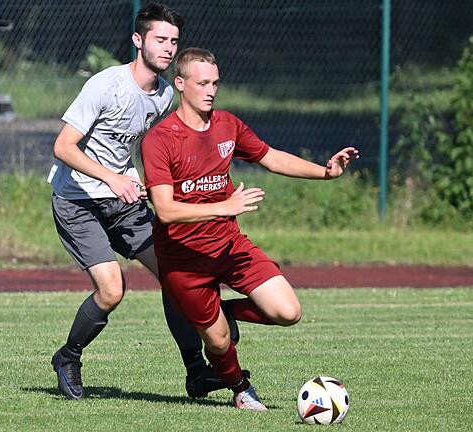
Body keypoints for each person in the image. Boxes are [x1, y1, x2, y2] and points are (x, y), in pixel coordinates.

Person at [141, 47, 359, 411]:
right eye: (202, 83)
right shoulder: (160, 139)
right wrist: (224, 206)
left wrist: (326, 172)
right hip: (184, 261)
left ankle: (222, 312)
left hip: (229, 247)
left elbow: (270, 157)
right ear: (180, 84)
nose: (211, 90)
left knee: (288, 312)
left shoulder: (228, 125)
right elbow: (163, 210)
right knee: (219, 343)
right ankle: (240, 389)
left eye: (215, 83)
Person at [48, 4, 237, 401]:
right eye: (160, 40)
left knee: (175, 276)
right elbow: (63, 147)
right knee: (112, 290)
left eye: (173, 41)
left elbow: (143, 149)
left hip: (124, 203)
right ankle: (68, 357)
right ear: (138, 41)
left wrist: (142, 181)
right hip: (78, 201)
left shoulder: (166, 93)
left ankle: (196, 372)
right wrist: (112, 178)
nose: (168, 48)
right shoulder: (106, 85)